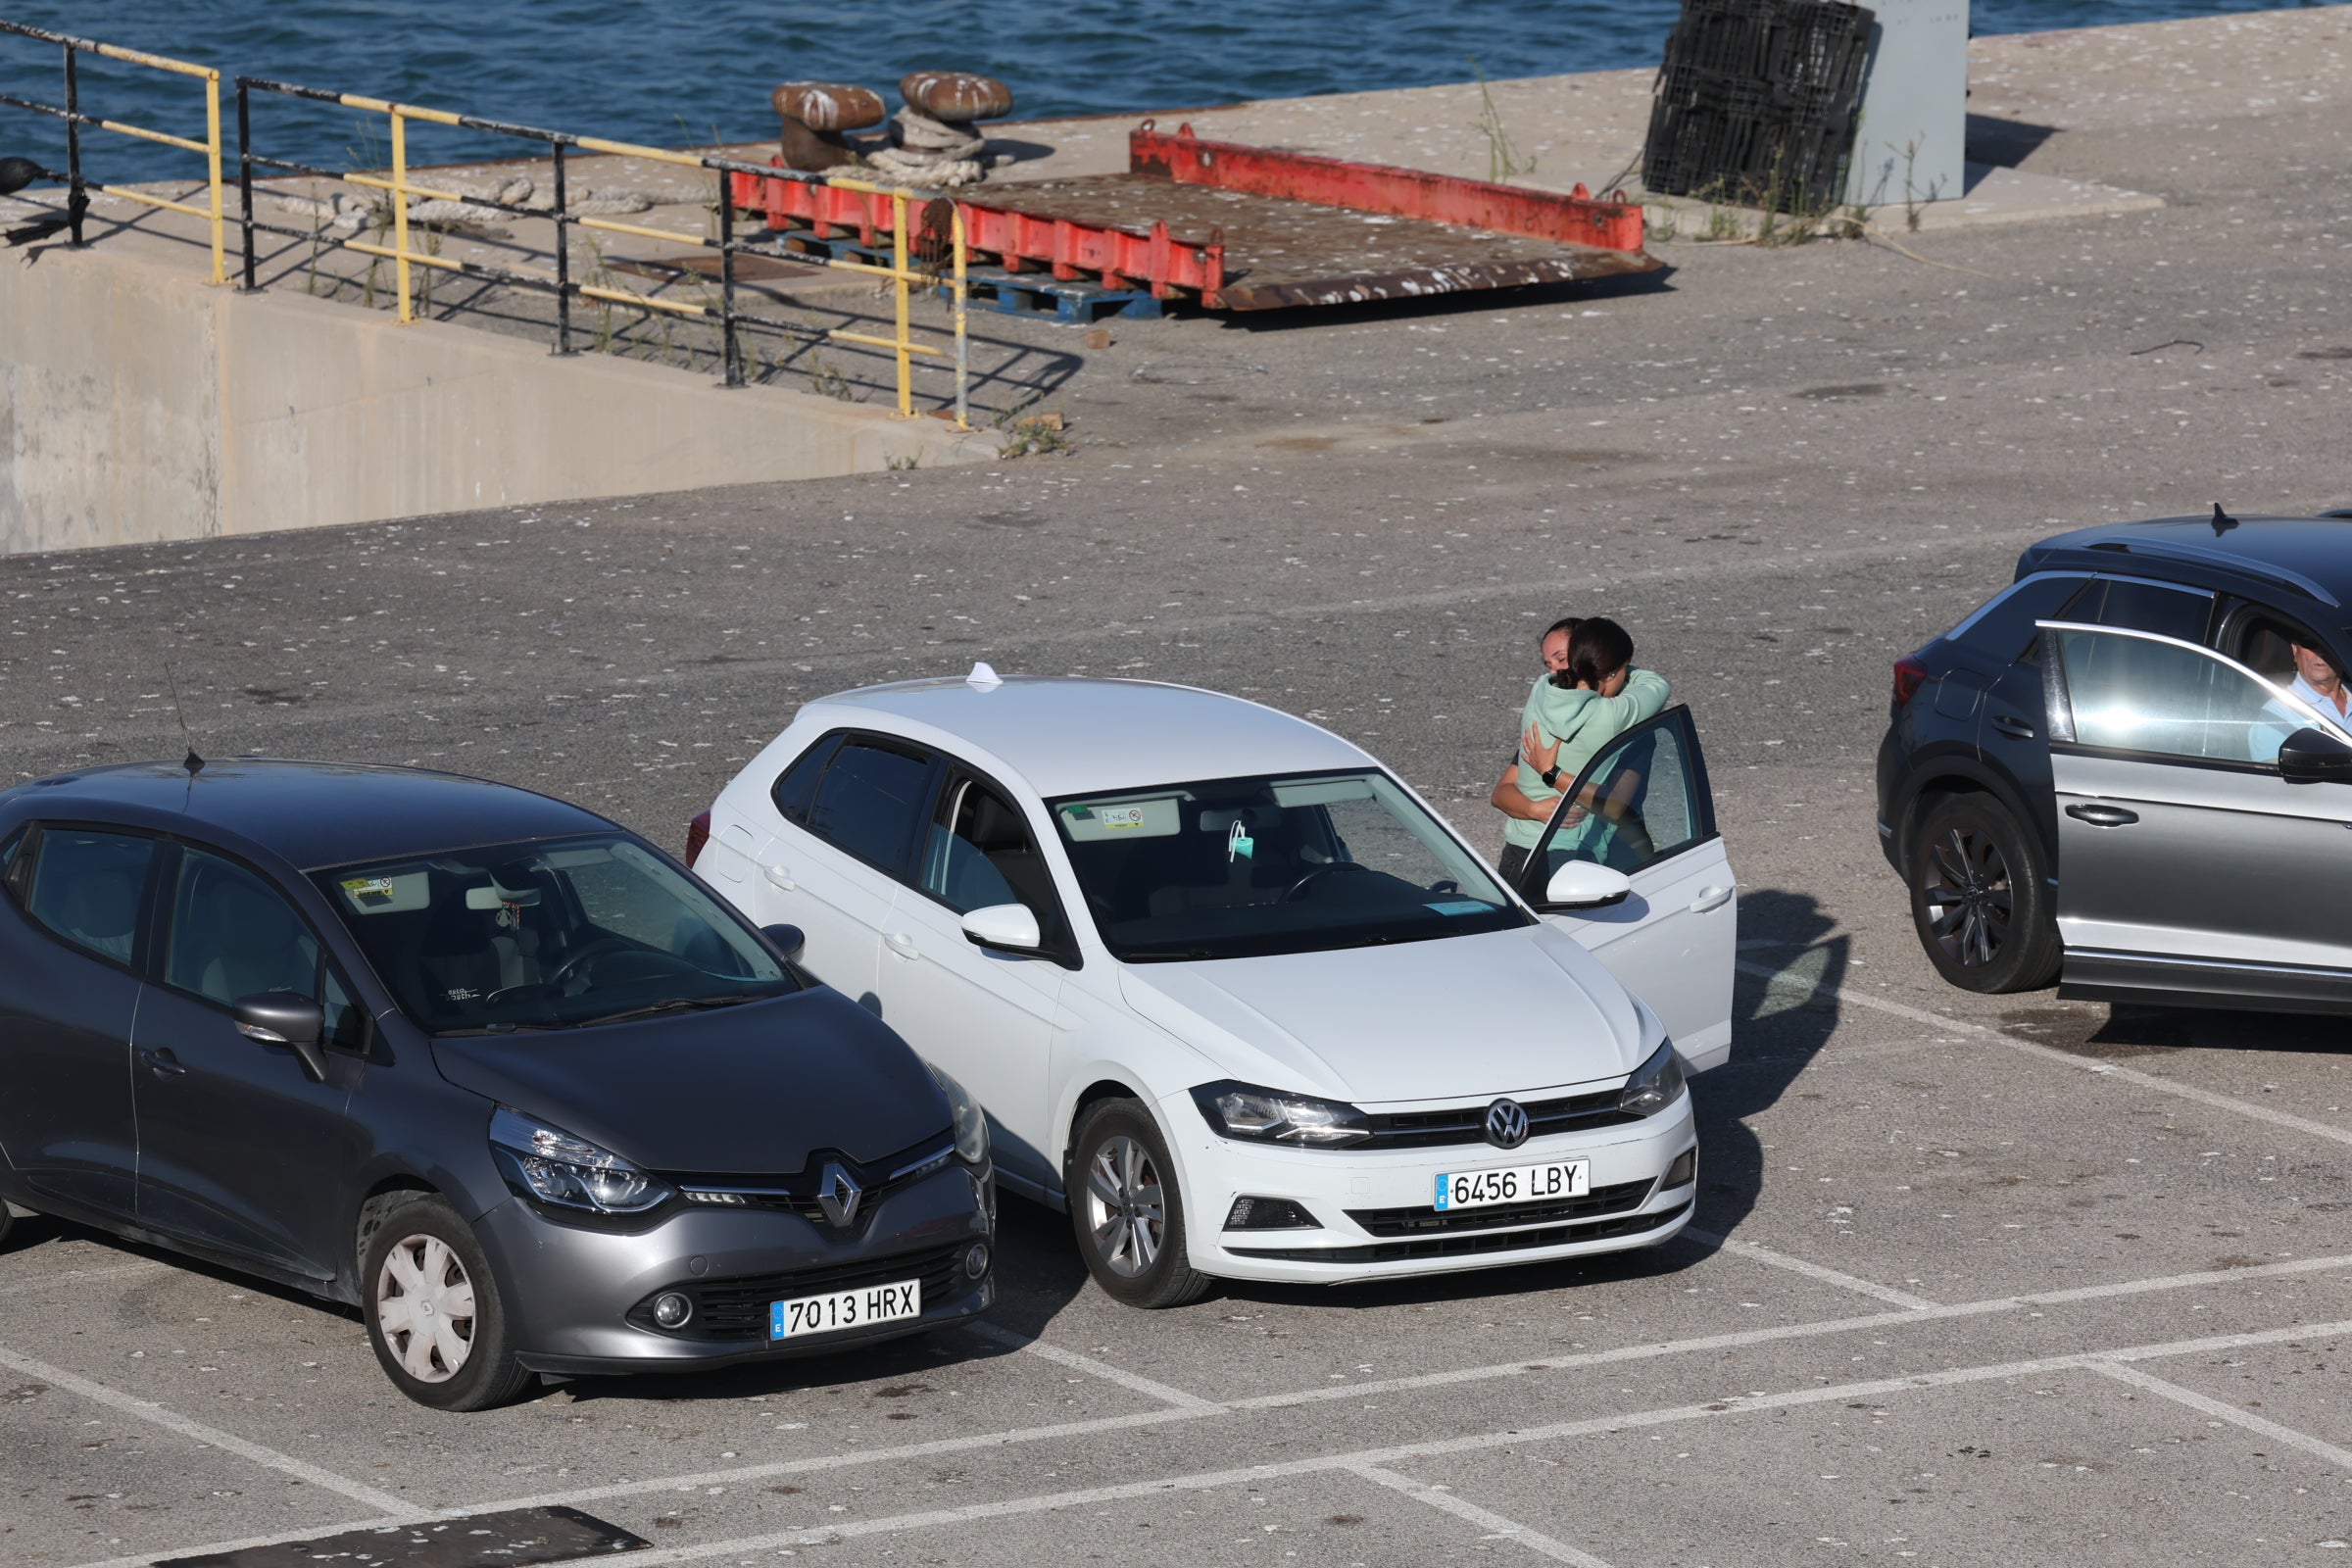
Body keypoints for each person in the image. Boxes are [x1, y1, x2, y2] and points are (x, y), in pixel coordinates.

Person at [1494, 617, 1669, 886]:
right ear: (1609, 671)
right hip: (1569, 855)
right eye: (1549, 662)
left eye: (1561, 658)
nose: (1554, 669)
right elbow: (1657, 685)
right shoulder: (1612, 718)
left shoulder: (1540, 692)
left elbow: (1502, 791)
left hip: (1517, 854)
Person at [2287, 640, 2351, 725]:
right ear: (2295, 649)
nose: (2320, 652)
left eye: (2328, 644)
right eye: (2310, 643)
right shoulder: (2277, 713)